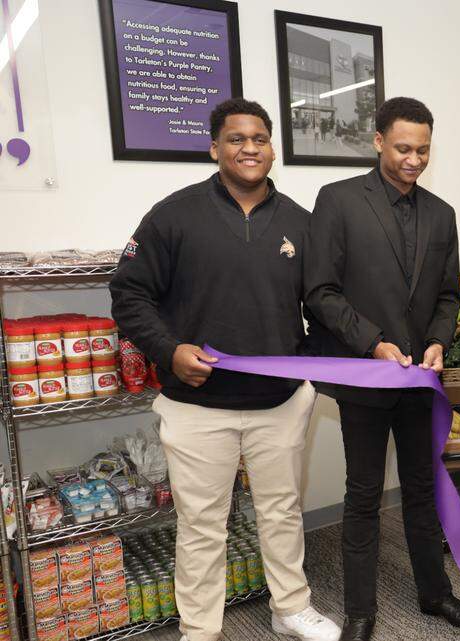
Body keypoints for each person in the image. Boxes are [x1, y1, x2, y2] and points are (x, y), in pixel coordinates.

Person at [109, 99, 340, 641]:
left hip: (280, 404)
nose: (249, 148)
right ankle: (200, 630)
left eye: (259, 139)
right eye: (236, 139)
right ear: (215, 148)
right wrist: (169, 351)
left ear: (272, 149)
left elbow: (324, 303)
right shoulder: (173, 215)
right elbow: (129, 294)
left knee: (282, 511)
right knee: (201, 525)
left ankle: (290, 608)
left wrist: (324, 360)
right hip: (197, 407)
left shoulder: (301, 223)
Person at [302, 97, 460, 641]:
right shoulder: (337, 200)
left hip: (419, 381)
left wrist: (438, 342)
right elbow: (320, 292)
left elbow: (448, 296)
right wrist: (373, 343)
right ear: (378, 141)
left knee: (422, 489)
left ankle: (436, 594)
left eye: (423, 150)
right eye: (404, 148)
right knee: (362, 496)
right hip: (365, 378)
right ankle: (360, 611)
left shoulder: (442, 213)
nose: (414, 160)